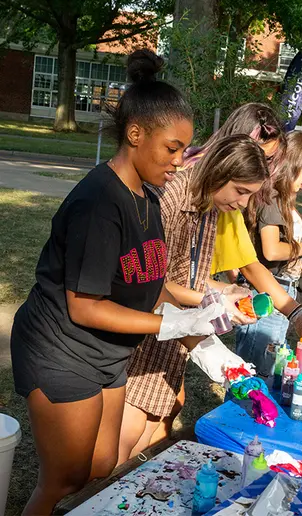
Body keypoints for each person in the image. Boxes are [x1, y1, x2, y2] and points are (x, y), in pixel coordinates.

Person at [9, 49, 210, 514]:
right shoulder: (99, 204)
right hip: (61, 348)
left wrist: (200, 304)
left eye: (184, 149)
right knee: (64, 478)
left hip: (108, 354)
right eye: (173, 148)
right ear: (135, 135)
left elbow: (148, 278)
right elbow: (84, 307)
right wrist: (169, 326)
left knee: (101, 464)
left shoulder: (150, 198)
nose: (180, 161)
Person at [119, 134, 270, 463]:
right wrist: (210, 298)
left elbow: (181, 274)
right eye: (241, 191)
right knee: (117, 457)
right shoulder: (169, 198)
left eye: (250, 195)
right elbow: (150, 283)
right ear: (218, 171)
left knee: (142, 448)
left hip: (172, 337)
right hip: (143, 341)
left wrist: (221, 291)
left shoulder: (210, 205)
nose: (243, 203)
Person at [237, 131, 302, 373]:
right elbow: (272, 250)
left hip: (278, 288)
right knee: (256, 369)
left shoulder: (282, 197)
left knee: (269, 364)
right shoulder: (272, 197)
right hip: (267, 291)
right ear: (294, 163)